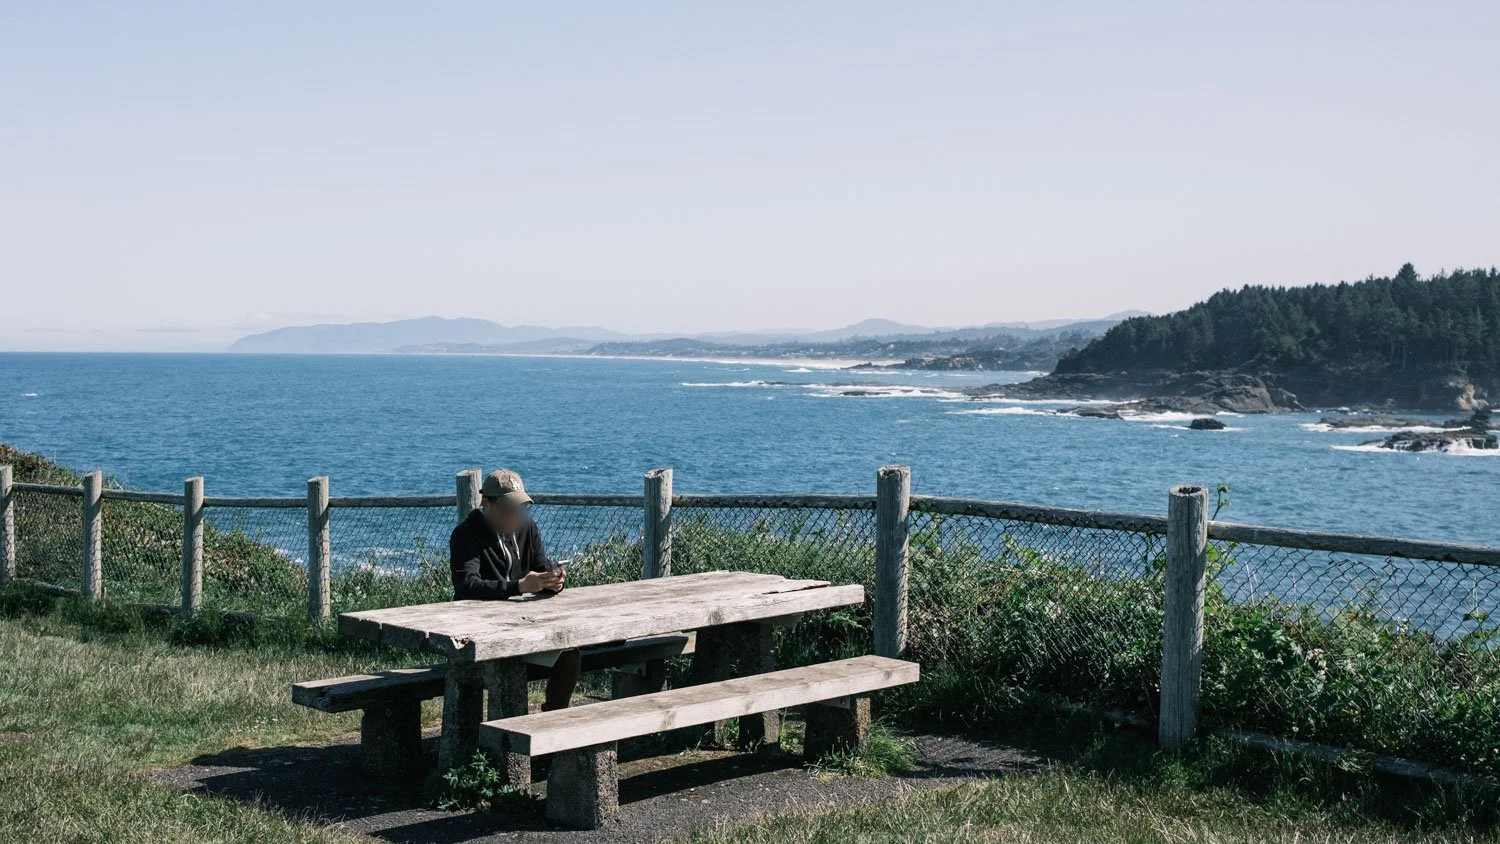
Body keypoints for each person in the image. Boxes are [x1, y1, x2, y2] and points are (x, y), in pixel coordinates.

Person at [449, 468, 579, 711]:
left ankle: (554, 721)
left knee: (570, 652)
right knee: (512, 669)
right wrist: (519, 586)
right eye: (508, 510)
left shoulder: (528, 528)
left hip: (522, 631)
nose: (515, 516)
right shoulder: (466, 535)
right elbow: (467, 586)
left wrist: (553, 582)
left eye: (519, 509)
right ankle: (506, 738)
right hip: (479, 638)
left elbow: (540, 571)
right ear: (485, 504)